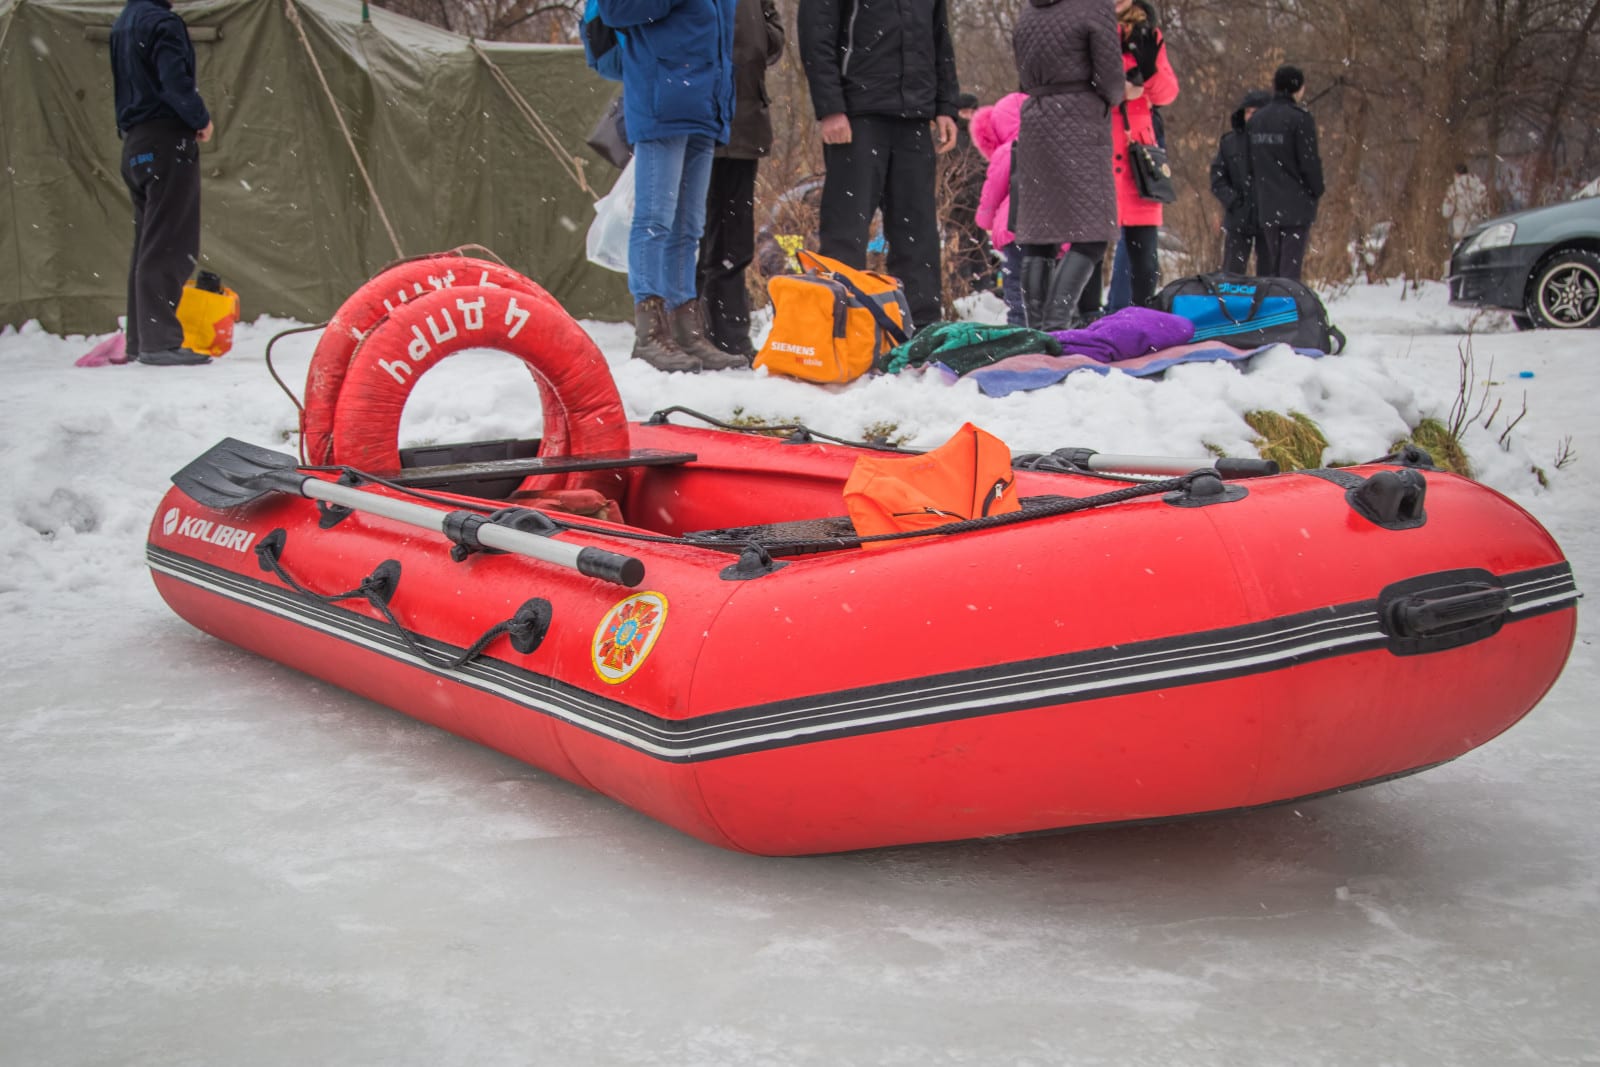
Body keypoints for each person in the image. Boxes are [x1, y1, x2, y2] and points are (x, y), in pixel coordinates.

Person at [798, 0, 961, 333]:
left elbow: (939, 37)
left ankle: (922, 326)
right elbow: (817, 34)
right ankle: (841, 326)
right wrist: (830, 108)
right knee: (846, 230)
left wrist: (946, 105)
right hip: (857, 115)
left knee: (918, 231)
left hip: (915, 116)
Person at [601, 0, 740, 372]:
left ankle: (686, 331)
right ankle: (650, 334)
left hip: (705, 104)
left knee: (689, 226)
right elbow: (615, 11)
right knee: (654, 220)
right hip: (662, 97)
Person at [109, 0, 214, 366]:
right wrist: (198, 117)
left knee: (148, 242)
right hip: (167, 140)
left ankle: (141, 339)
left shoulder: (124, 23)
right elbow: (174, 81)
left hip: (135, 142)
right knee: (170, 242)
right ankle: (160, 342)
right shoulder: (163, 24)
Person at [1012, 0, 1125, 330]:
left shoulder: (1028, 11)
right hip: (1080, 119)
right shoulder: (1094, 6)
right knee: (1092, 234)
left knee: (1040, 232)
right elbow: (1111, 79)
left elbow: (1022, 73)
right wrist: (1110, 97)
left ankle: (1036, 326)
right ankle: (1056, 323)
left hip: (1035, 118)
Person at [695, 0, 785, 363]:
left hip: (746, 117)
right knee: (693, 235)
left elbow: (773, 32)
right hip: (695, 114)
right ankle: (691, 332)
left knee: (735, 238)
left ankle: (732, 334)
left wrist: (760, 39)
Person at [1093, 0, 1178, 314]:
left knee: (1144, 255)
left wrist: (1148, 76)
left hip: (1138, 155)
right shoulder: (1084, 25)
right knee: (1090, 248)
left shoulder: (1146, 32)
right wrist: (1123, 87)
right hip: (1097, 147)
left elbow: (1167, 92)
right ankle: (1091, 320)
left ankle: (1142, 318)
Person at [1247, 64, 1324, 282]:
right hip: (1296, 206)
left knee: (1272, 264)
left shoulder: (1257, 120)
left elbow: (1250, 165)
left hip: (1267, 205)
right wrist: (1316, 190)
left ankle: (1275, 307)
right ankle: (1287, 310)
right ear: (1298, 88)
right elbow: (1309, 163)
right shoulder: (1300, 119)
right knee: (1290, 269)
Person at [970, 93, 1028, 325]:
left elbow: (992, 191)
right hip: (1047, 229)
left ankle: (1018, 323)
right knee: (1043, 283)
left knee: (1016, 282)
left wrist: (985, 220)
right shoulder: (1048, 146)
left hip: (1013, 226)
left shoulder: (1006, 151)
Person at [1210, 88, 1272, 274]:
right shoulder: (1230, 143)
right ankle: (1231, 304)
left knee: (1269, 275)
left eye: (1257, 112)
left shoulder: (1278, 143)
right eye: (1248, 111)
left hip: (1269, 216)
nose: (1252, 116)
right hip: (1238, 217)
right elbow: (1217, 178)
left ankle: (1265, 304)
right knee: (1232, 274)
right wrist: (1233, 200)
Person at [942, 92, 992, 297]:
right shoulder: (951, 139)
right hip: (957, 204)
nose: (969, 116)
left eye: (973, 112)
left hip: (980, 201)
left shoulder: (981, 136)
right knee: (959, 247)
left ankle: (982, 289)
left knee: (980, 249)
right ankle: (960, 290)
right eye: (965, 112)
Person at [1441, 163, 1490, 244]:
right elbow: (1487, 211)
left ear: (1456, 174)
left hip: (1460, 228)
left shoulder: (1453, 189)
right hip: (1478, 226)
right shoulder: (1480, 187)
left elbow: (1446, 213)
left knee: (1461, 253)